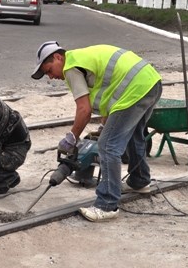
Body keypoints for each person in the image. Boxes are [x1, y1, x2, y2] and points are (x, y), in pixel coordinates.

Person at [31, 41, 162, 222]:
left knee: (107, 146)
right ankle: (140, 180)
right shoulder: (82, 58)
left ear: (58, 57)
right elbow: (109, 86)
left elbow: (84, 110)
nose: (50, 77)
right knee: (133, 135)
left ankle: (107, 205)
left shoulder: (71, 67)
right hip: (150, 82)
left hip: (136, 88)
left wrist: (72, 138)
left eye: (49, 70)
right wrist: (107, 120)